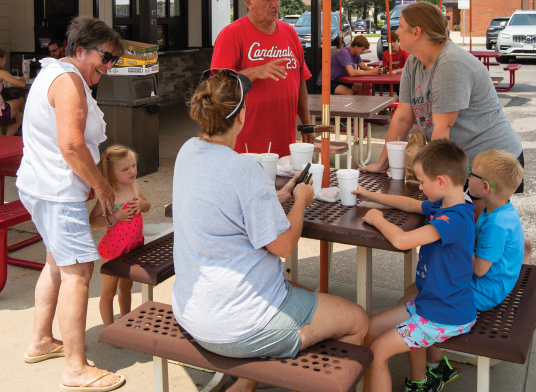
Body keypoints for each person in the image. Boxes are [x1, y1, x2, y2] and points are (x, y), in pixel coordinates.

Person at [173, 68, 368, 392]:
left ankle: (246, 383)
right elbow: (283, 246)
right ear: (242, 115)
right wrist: (301, 200)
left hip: (192, 310)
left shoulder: (187, 152)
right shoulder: (244, 170)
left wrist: (274, 197)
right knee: (358, 319)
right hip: (240, 325)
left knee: (294, 289)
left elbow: (223, 205)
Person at [15, 17, 125, 391]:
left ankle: (41, 340)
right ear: (80, 50)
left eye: (114, 60)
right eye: (105, 57)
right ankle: (76, 368)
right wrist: (102, 188)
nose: (109, 66)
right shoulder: (69, 82)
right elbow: (72, 145)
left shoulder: (54, 71)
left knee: (57, 263)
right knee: (78, 273)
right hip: (58, 192)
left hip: (41, 186)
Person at [360, 2, 524, 197]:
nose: (396, 32)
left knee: (472, 217)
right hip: (457, 160)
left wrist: (432, 180)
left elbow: (442, 129)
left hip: (491, 162)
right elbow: (403, 118)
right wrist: (382, 164)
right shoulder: (413, 61)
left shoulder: (450, 63)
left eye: (401, 26)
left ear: (416, 32)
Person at [355, 140, 476, 392]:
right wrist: (370, 196)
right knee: (370, 327)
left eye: (422, 182)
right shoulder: (445, 205)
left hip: (444, 316)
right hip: (429, 304)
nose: (419, 187)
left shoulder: (455, 219)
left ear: (441, 181)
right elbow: (410, 204)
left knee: (378, 351)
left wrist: (377, 218)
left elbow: (402, 241)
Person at [417, 149, 526, 390]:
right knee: (424, 286)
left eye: (471, 174)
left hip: (488, 291)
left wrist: (461, 241)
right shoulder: (498, 210)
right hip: (495, 282)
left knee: (427, 294)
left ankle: (430, 368)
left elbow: (479, 269)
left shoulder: (497, 224)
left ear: (485, 187)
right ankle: (437, 365)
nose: (467, 177)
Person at [211, 0, 314, 156]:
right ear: (249, 2)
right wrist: (257, 71)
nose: (275, 4)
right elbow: (218, 85)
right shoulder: (231, 34)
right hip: (247, 146)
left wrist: (306, 123)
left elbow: (300, 82)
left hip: (285, 141)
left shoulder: (290, 33)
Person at [90, 144, 151, 327]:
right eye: (125, 169)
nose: (132, 171)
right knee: (109, 292)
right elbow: (92, 221)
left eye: (133, 166)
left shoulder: (134, 187)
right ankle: (109, 329)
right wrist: (116, 217)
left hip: (133, 248)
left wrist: (143, 205)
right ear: (111, 174)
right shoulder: (109, 195)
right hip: (114, 250)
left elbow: (147, 206)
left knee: (126, 287)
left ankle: (126, 321)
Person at [317, 35, 381, 95]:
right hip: (326, 82)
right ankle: (354, 103)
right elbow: (351, 73)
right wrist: (372, 72)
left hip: (340, 81)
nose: (363, 52)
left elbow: (364, 67)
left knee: (365, 91)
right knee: (349, 93)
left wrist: (377, 70)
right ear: (356, 46)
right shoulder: (344, 52)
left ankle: (360, 103)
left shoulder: (356, 54)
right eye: (363, 49)